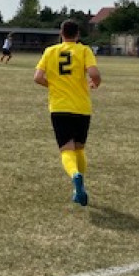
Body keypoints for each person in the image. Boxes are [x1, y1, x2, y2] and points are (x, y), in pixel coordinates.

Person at [33, 19, 101, 206]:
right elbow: (94, 74)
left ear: (61, 33)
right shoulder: (84, 50)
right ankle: (80, 187)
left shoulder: (50, 51)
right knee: (79, 147)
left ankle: (75, 175)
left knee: (66, 149)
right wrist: (96, 83)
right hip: (81, 107)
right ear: (77, 34)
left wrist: (53, 86)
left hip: (59, 106)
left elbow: (37, 77)